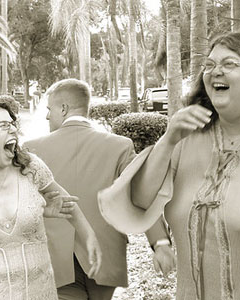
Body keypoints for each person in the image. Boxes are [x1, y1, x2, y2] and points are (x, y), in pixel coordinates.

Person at [98, 32, 240, 300]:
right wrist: (168, 139)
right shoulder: (186, 138)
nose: (215, 72)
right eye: (209, 65)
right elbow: (140, 200)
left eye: (230, 64)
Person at [23, 78, 175, 300]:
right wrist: (160, 243)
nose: (47, 116)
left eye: (49, 109)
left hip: (55, 258)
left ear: (63, 108)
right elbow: (141, 196)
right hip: (106, 256)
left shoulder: (33, 149)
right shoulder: (120, 146)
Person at [0, 100, 102, 299]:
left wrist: (89, 237)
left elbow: (66, 203)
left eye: (12, 124)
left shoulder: (31, 168)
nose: (13, 130)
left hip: (41, 292)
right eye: (3, 126)